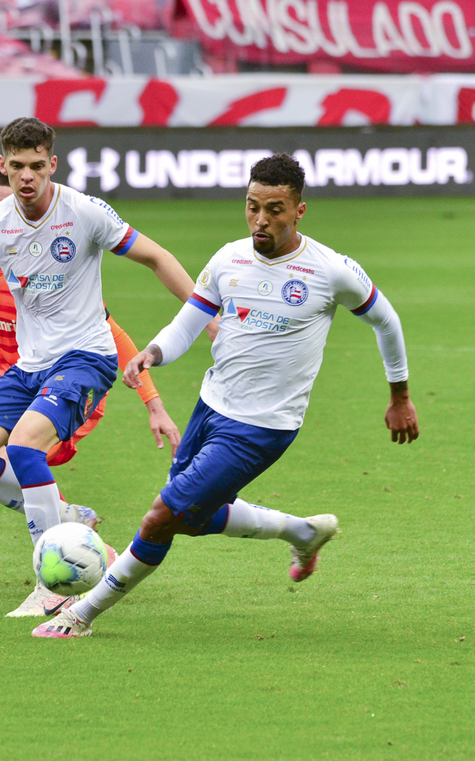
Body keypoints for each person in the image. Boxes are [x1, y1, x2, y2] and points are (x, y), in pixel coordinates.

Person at [33, 153, 421, 639]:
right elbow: (189, 323)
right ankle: (303, 532)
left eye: (275, 209)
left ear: (299, 211)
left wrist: (400, 396)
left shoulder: (331, 270)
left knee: (160, 517)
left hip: (263, 426)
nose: (261, 220)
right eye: (253, 207)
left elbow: (387, 321)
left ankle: (81, 615)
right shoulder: (228, 259)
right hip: (211, 407)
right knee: (191, 519)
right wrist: (152, 353)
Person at [0, 117, 205, 617]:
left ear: (52, 164)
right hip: (29, 367)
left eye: (37, 165)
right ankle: (68, 519)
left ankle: (51, 583)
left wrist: (205, 316)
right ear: (3, 165)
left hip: (85, 358)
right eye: (17, 166)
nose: (27, 176)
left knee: (23, 445)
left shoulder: (84, 212)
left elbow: (156, 257)